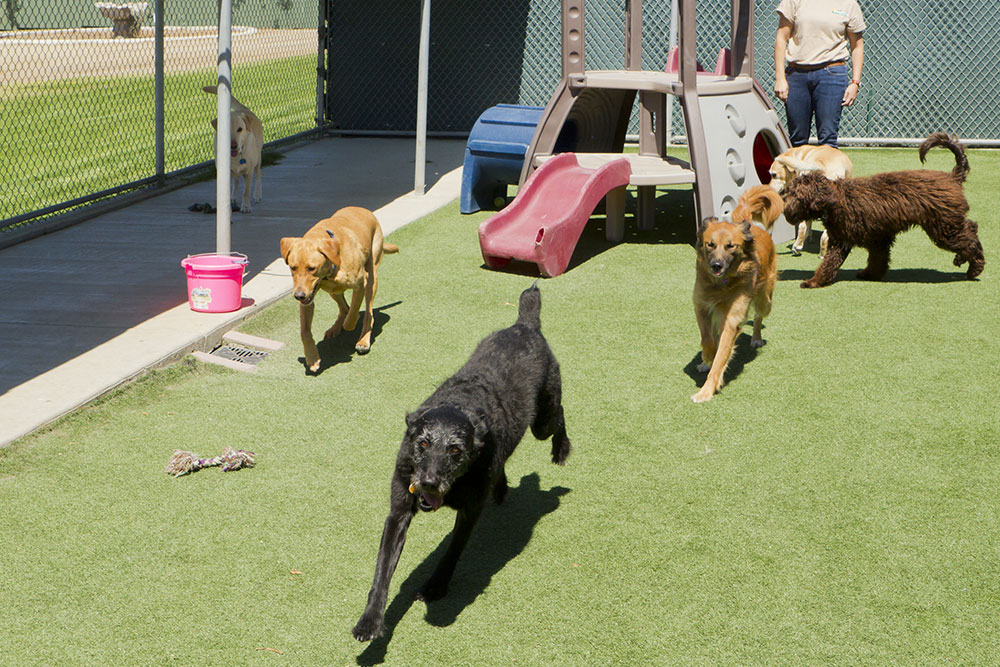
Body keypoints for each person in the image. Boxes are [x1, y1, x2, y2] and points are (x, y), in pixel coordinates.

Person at [773, 0, 865, 148]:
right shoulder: (793, 2)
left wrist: (855, 83)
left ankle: (826, 171)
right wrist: (780, 78)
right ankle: (798, 171)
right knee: (797, 139)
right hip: (797, 75)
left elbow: (857, 46)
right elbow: (781, 38)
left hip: (832, 75)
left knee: (828, 139)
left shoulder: (849, 4)